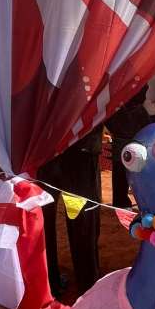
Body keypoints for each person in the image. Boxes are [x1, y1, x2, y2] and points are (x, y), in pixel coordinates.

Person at [37, 127, 103, 300]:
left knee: (43, 220)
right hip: (79, 149)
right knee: (82, 221)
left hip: (43, 148)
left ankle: (49, 283)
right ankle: (88, 286)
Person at [106, 87, 149, 207]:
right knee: (137, 176)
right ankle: (140, 204)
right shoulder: (141, 109)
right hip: (136, 144)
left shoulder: (118, 106)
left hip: (122, 143)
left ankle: (120, 203)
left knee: (120, 177)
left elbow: (109, 122)